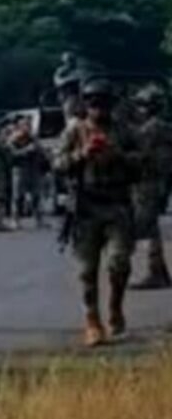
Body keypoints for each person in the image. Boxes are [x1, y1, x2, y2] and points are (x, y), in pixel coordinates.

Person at [55, 78, 141, 345]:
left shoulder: (124, 131)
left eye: (103, 104)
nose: (98, 110)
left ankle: (115, 308)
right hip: (86, 205)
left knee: (119, 262)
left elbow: (142, 165)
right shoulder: (75, 131)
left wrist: (117, 154)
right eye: (93, 104)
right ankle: (92, 320)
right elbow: (57, 164)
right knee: (86, 270)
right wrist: (82, 154)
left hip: (116, 204)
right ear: (85, 105)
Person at [128, 85, 172, 290]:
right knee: (151, 228)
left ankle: (155, 271)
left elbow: (137, 152)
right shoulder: (162, 127)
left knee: (139, 228)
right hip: (156, 181)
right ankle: (158, 271)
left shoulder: (151, 128)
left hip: (148, 182)